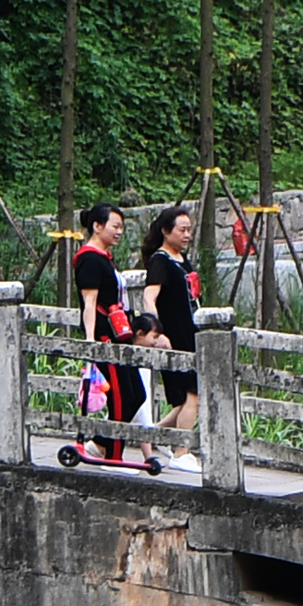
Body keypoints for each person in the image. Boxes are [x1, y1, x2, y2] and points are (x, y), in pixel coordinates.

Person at [66, 199, 136, 466]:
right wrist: (90, 343)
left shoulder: (105, 258)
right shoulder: (89, 260)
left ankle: (100, 444)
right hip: (104, 339)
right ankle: (114, 456)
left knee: (136, 395)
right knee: (120, 397)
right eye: (114, 226)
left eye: (121, 227)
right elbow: (90, 305)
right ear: (97, 226)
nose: (119, 232)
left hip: (119, 336)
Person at [141, 204, 201, 449]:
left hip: (192, 333)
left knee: (189, 398)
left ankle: (152, 435)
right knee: (192, 395)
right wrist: (158, 332)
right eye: (182, 230)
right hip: (175, 336)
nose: (187, 235)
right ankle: (181, 450)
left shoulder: (182, 260)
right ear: (166, 231)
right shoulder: (160, 261)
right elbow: (148, 298)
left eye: (189, 230)